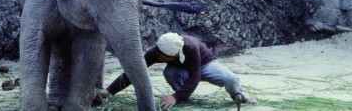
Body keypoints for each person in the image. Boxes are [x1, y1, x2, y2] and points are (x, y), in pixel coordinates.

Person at [95, 32, 256, 109]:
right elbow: (134, 73)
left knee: (231, 79)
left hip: (204, 65)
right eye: (161, 56)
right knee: (169, 72)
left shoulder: (191, 47)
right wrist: (109, 91)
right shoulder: (155, 53)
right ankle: (183, 97)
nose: (162, 59)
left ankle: (238, 95)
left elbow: (195, 77)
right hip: (180, 70)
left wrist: (175, 97)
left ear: (174, 54)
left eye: (166, 58)